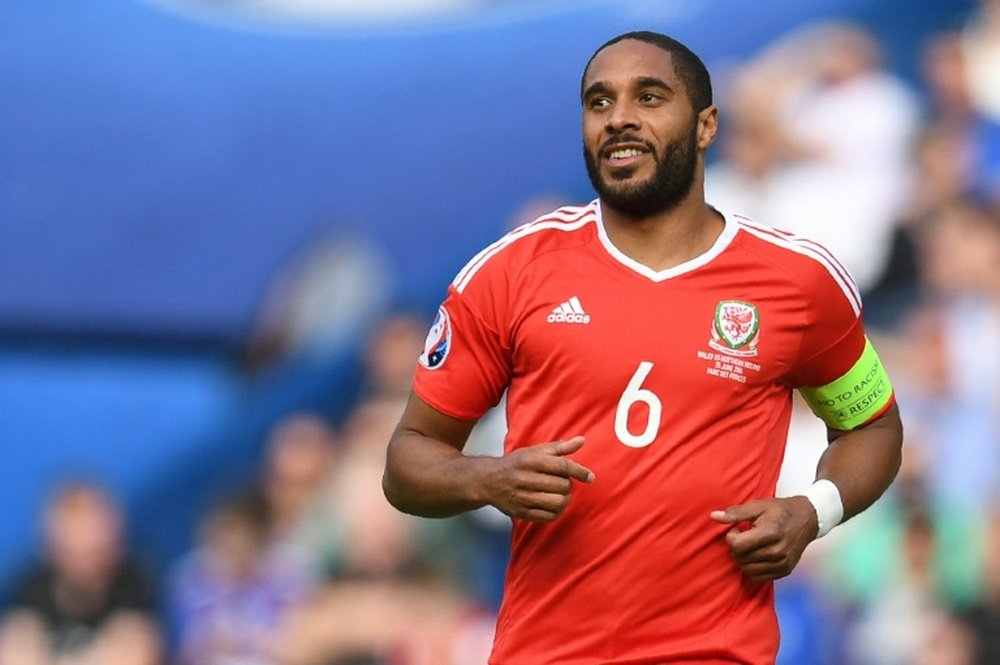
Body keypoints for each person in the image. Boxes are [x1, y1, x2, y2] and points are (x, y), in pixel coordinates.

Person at [382, 31, 903, 664]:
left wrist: (813, 511)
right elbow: (407, 458)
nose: (619, 116)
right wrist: (486, 478)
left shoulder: (799, 282)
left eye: (649, 97)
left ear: (706, 125)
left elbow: (873, 426)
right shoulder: (512, 272)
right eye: (598, 102)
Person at [0, 481, 161, 665]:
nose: (84, 560)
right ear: (51, 544)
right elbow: (14, 652)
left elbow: (137, 653)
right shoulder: (30, 587)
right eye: (72, 550)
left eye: (94, 550)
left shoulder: (134, 583)